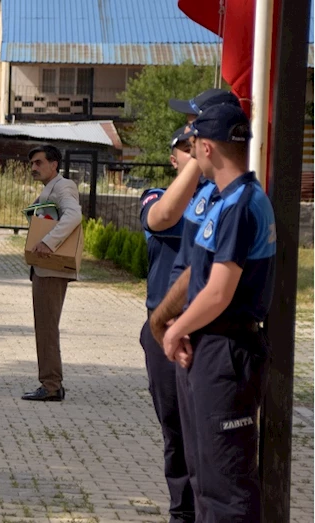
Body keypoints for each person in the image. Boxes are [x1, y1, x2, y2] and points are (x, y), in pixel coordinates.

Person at [153, 103, 275, 522]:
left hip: (228, 352)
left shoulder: (241, 204)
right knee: (205, 477)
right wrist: (174, 322)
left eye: (193, 146)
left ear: (207, 148)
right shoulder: (227, 201)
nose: (191, 155)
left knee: (226, 485)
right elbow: (200, 274)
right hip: (212, 348)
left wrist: (175, 331)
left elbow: (219, 292)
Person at [136, 126, 199, 522]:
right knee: (174, 430)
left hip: (206, 330)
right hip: (163, 331)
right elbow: (163, 217)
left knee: (205, 432)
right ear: (174, 159)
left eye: (199, 145)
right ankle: (182, 512)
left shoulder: (218, 200)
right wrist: (199, 164)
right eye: (185, 148)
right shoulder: (155, 195)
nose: (194, 151)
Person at [21, 145, 82, 402]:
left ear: (54, 164)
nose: (33, 168)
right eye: (31, 164)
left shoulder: (63, 186)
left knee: (47, 328)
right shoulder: (51, 188)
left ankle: (51, 386)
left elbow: (74, 215)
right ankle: (51, 383)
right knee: (45, 326)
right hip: (45, 268)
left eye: (39, 162)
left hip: (51, 269)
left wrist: (48, 242)